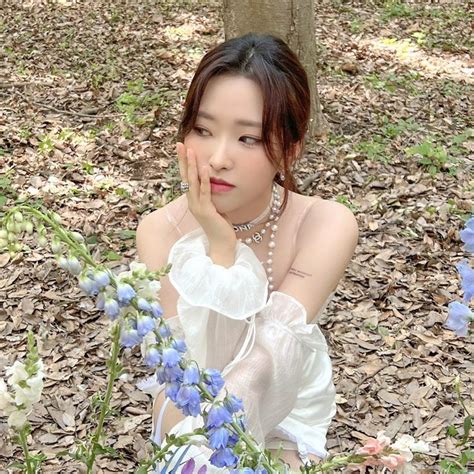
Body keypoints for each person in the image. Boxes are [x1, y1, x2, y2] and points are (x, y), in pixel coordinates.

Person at [136, 33, 359, 472]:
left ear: (289, 150)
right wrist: (218, 241)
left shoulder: (326, 224)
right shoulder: (159, 232)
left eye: (248, 139)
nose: (217, 158)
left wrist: (222, 244)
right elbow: (186, 372)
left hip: (285, 407)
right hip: (188, 412)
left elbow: (263, 363)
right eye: (202, 130)